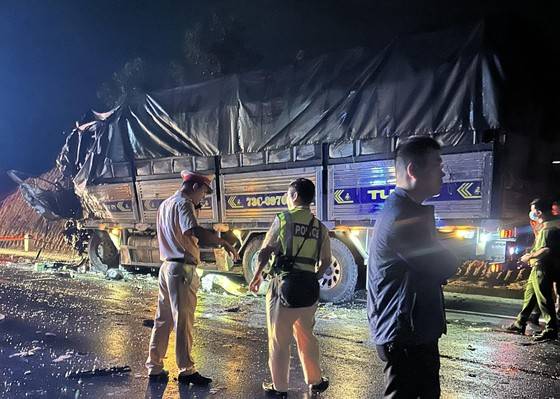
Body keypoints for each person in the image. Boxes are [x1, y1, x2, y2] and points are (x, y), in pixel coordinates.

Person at [367, 136, 458, 398]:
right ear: (413, 170)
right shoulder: (403, 215)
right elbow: (443, 264)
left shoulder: (404, 209)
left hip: (410, 327)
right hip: (405, 332)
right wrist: (448, 260)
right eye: (437, 164)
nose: (443, 171)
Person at [146, 170, 239, 383]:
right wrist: (223, 242)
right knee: (183, 321)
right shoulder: (184, 203)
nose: (202, 199)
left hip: (167, 267)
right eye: (203, 194)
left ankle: (154, 365)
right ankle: (186, 369)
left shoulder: (165, 204)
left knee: (163, 319)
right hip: (182, 270)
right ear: (195, 187)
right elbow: (192, 231)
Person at [249, 178, 331, 397]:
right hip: (308, 292)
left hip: (283, 289)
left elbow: (266, 251)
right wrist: (314, 278)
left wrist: (257, 276)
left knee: (279, 340)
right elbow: (326, 262)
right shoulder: (320, 227)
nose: (286, 198)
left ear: (294, 196)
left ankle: (279, 388)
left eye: (288, 194)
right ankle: (315, 380)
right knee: (307, 337)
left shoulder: (283, 219)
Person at [506, 198, 560, 341]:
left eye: (533, 211)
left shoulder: (548, 228)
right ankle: (520, 323)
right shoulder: (552, 224)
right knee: (530, 296)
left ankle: (551, 329)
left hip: (542, 267)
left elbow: (546, 250)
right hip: (539, 267)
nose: (531, 213)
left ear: (540, 212)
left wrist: (528, 256)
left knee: (543, 298)